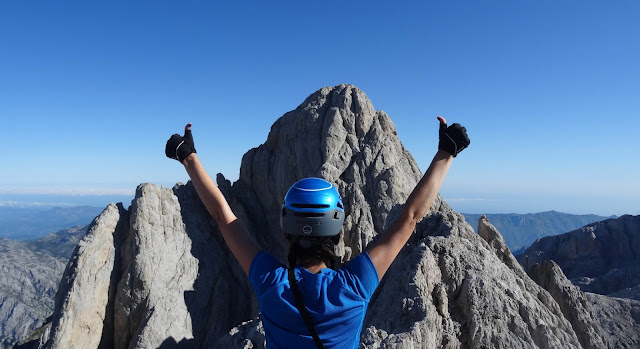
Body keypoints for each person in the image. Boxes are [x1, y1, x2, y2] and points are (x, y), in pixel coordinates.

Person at [165, 116, 470, 349]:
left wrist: (189, 158)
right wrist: (447, 152)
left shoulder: (270, 282)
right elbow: (410, 218)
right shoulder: (354, 286)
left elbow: (223, 217)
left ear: (286, 230)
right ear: (337, 232)